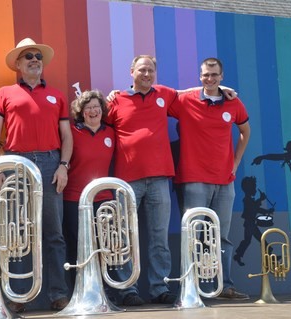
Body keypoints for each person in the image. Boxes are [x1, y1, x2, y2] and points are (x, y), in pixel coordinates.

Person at [0, 37, 73, 312]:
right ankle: (16, 296)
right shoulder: (4, 93)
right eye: (28, 57)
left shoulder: (58, 95)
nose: (35, 59)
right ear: (18, 64)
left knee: (54, 233)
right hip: (14, 163)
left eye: (38, 56)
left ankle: (59, 295)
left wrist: (64, 165)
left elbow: (67, 136)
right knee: (16, 231)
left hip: (50, 164)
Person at [168, 57, 251, 300]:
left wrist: (235, 163)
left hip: (225, 181)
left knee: (221, 235)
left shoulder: (234, 104)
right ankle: (192, 286)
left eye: (214, 75)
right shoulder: (186, 100)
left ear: (222, 76)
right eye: (205, 75)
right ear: (200, 76)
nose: (210, 79)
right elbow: (159, 96)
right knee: (194, 234)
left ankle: (225, 286)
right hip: (193, 178)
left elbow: (245, 131)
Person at [105, 55, 179, 306]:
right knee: (124, 236)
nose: (146, 74)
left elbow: (191, 94)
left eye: (150, 70)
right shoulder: (116, 100)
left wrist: (220, 89)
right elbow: (94, 124)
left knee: (159, 237)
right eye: (142, 70)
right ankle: (128, 290)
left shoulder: (165, 94)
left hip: (160, 178)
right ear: (131, 72)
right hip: (127, 180)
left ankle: (159, 288)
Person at [62, 90, 115, 287]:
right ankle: (80, 290)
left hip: (104, 199)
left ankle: (105, 292)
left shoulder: (111, 132)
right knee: (78, 247)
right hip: (74, 198)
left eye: (96, 107)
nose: (93, 111)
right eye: (88, 107)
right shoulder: (71, 132)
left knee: (105, 247)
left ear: (102, 110)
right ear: (81, 111)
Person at [234, 176, 275, 266]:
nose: (255, 189)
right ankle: (269, 258)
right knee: (259, 241)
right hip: (250, 224)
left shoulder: (250, 200)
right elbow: (254, 208)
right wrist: (260, 200)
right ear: (249, 189)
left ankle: (238, 255)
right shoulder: (246, 200)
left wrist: (267, 211)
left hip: (251, 224)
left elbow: (256, 209)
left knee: (248, 241)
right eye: (254, 187)